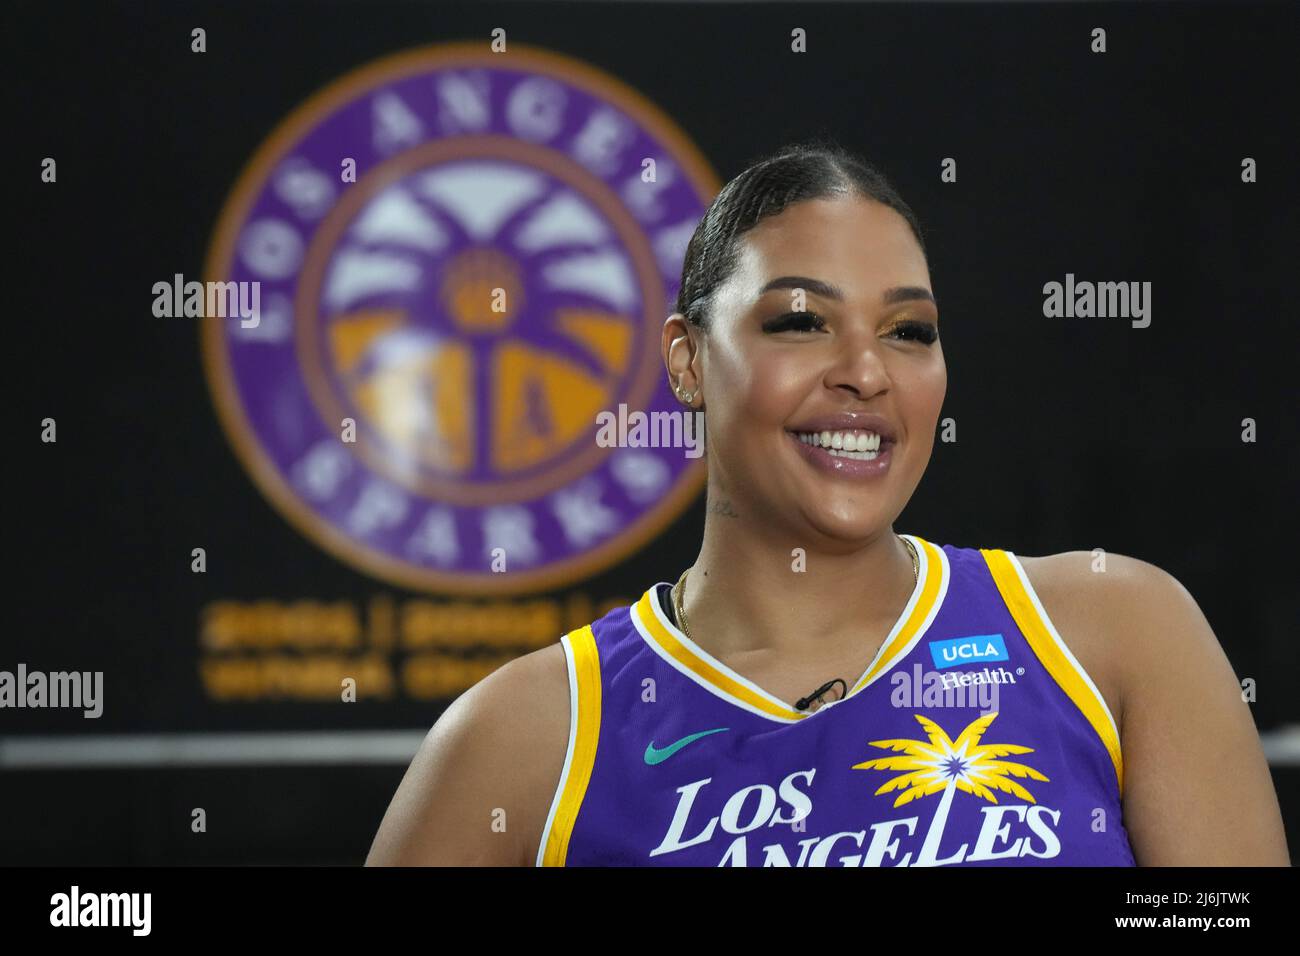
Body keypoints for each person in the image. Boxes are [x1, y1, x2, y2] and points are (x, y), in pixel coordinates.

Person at [366, 141, 1290, 867]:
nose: (864, 373)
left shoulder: (1115, 631)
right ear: (687, 360)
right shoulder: (529, 735)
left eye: (908, 331)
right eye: (801, 321)